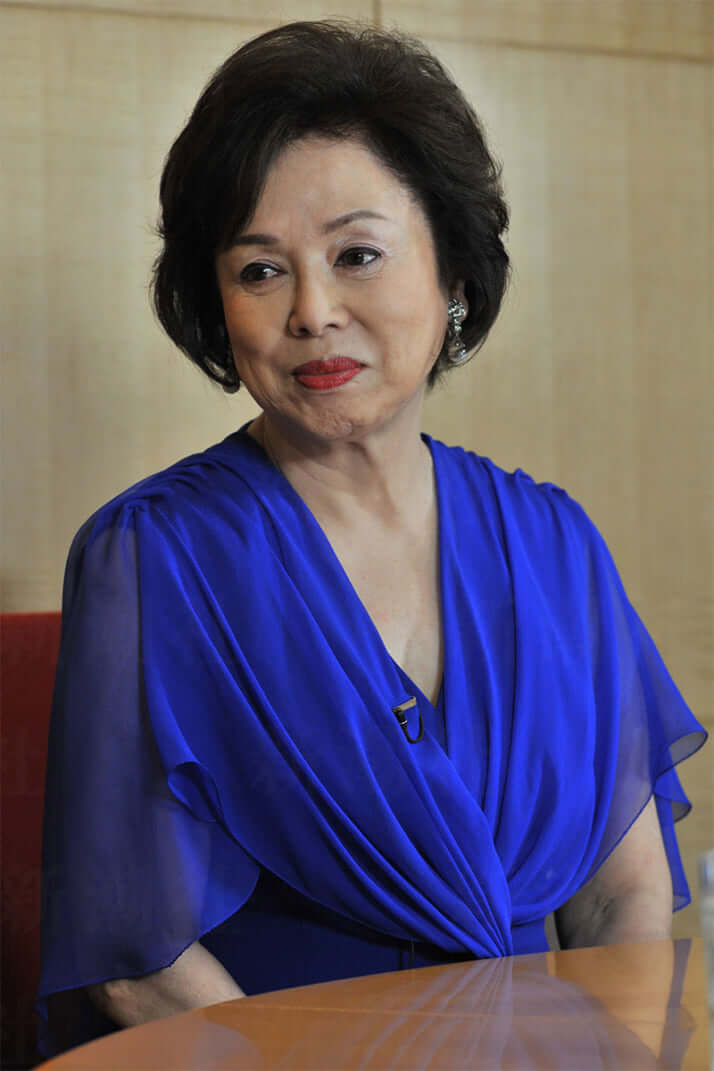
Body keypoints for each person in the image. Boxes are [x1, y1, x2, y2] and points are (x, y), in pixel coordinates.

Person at [37, 19, 706, 1059]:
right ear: (217, 305)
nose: (312, 311)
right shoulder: (153, 555)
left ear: (453, 276)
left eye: (357, 255)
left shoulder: (556, 544)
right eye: (260, 271)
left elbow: (625, 904)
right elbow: (137, 962)